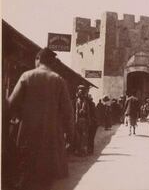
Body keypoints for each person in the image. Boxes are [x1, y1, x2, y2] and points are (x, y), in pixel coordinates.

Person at [6, 47, 74, 190]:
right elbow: (68, 112)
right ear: (51, 63)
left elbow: (11, 104)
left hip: (27, 137)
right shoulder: (59, 80)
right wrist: (70, 135)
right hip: (51, 140)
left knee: (27, 176)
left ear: (38, 59)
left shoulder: (26, 76)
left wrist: (16, 118)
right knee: (47, 180)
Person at [74, 85, 90, 156]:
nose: (80, 93)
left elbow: (86, 112)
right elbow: (76, 112)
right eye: (79, 91)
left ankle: (82, 150)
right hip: (80, 120)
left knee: (82, 135)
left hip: (82, 120)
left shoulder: (84, 101)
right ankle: (80, 150)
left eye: (81, 91)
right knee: (80, 136)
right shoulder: (79, 101)